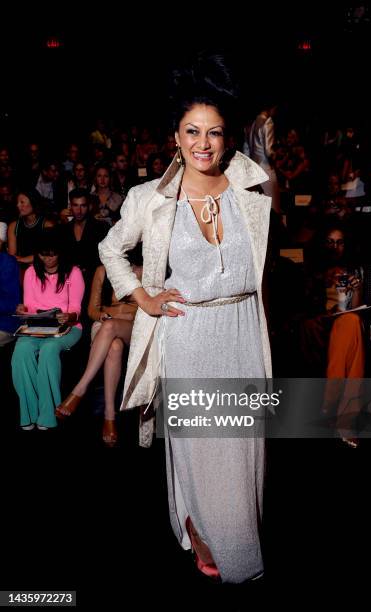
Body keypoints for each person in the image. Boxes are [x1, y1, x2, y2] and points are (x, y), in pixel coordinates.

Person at [96, 54, 272, 584]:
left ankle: (239, 534)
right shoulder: (151, 199)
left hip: (243, 330)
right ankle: (199, 531)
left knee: (243, 450)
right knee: (200, 450)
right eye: (192, 131)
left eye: (214, 132)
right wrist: (141, 296)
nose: (203, 143)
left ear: (228, 136)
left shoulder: (251, 189)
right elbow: (110, 248)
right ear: (175, 136)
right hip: (190, 334)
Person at [55, 251, 142, 446]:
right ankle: (109, 416)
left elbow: (147, 308)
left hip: (132, 325)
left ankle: (79, 388)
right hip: (104, 324)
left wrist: (124, 318)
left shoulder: (143, 272)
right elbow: (92, 309)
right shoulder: (102, 271)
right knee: (115, 346)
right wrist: (101, 316)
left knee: (112, 329)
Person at [11, 231, 84, 430]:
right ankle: (29, 412)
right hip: (37, 327)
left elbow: (76, 311)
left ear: (60, 253)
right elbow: (30, 306)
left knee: (49, 351)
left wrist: (68, 316)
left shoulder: (73, 272)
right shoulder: (31, 272)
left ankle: (48, 413)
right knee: (21, 352)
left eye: (52, 254)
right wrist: (23, 310)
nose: (48, 259)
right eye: (44, 255)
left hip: (67, 328)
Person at [300, 221, 364, 446]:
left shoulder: (353, 270)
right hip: (321, 322)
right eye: (330, 242)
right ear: (322, 244)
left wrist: (355, 290)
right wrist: (322, 281)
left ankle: (332, 408)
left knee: (351, 322)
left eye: (340, 242)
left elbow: (356, 308)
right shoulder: (310, 270)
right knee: (346, 326)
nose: (335, 247)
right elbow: (303, 307)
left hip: (345, 321)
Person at [245, 99, 281, 212]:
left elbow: (247, 149)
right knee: (273, 207)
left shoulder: (254, 122)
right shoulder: (268, 122)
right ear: (272, 108)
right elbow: (269, 151)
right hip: (266, 168)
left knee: (259, 208)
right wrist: (276, 156)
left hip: (254, 169)